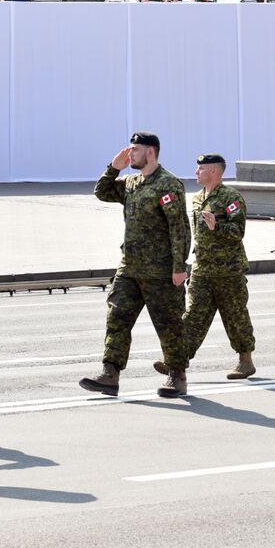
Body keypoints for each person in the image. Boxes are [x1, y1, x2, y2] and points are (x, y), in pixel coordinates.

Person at [79, 133, 192, 398]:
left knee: (169, 323)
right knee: (117, 318)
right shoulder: (131, 182)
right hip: (129, 268)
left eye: (135, 150)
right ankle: (110, 374)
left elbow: (179, 229)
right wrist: (114, 167)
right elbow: (102, 192)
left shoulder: (168, 184)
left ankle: (177, 375)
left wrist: (179, 267)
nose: (130, 154)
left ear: (151, 152)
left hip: (160, 271)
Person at [173, 153, 256, 380]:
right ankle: (177, 362)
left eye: (200, 169)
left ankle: (245, 361)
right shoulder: (198, 198)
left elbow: (238, 232)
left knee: (235, 316)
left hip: (228, 270)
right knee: (193, 316)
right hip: (202, 270)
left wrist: (217, 226)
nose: (196, 173)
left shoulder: (231, 198)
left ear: (214, 172)